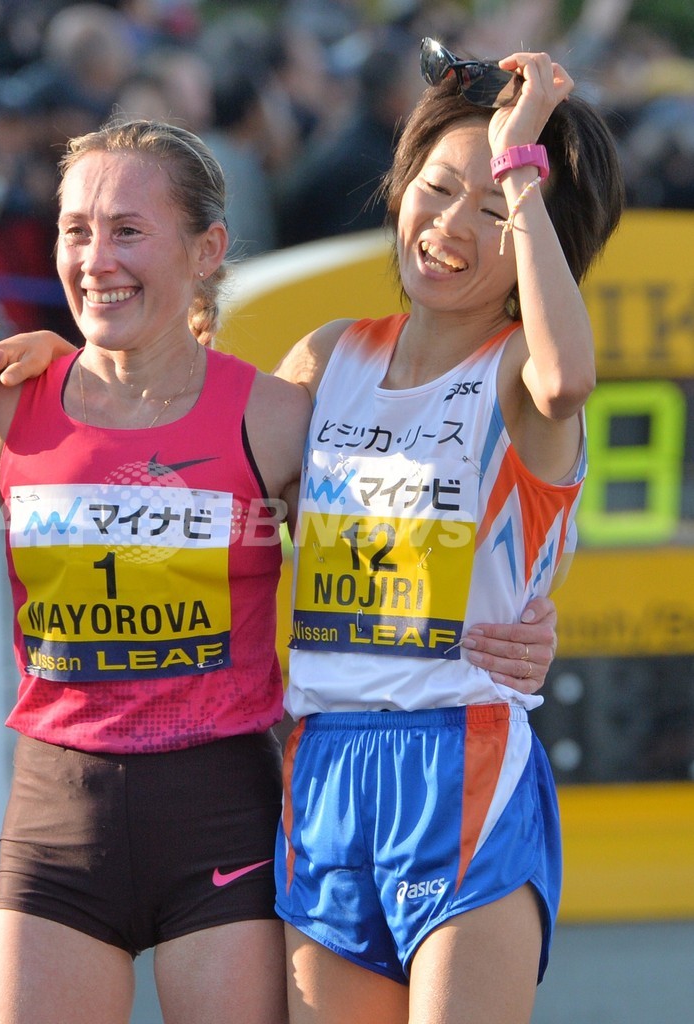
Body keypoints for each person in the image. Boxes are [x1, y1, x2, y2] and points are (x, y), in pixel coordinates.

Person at [0, 118, 558, 1024]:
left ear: (206, 249)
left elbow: (408, 542)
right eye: (75, 230)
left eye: (128, 230)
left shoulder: (277, 417)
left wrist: (529, 617)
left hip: (224, 827)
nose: (95, 258)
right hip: (57, 828)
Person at [270, 46, 624, 1024]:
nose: (450, 228)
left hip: (459, 761)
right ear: (399, 187)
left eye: (493, 209)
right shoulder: (323, 356)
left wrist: (520, 158)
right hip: (324, 768)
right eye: (436, 188)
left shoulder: (521, 375)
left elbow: (567, 380)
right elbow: (210, 473)